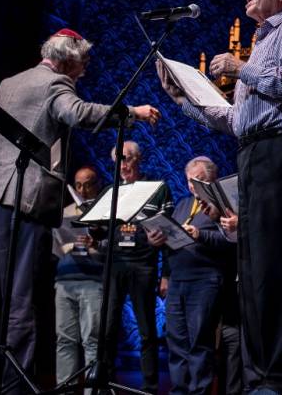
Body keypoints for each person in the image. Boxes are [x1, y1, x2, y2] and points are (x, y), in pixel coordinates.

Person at [156, 0, 282, 393]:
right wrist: (182, 97)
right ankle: (261, 377)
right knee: (253, 270)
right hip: (252, 151)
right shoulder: (262, 38)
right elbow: (235, 118)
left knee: (276, 267)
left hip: (280, 149)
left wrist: (239, 67)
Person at [0, 28, 159, 394]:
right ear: (67, 58)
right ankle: (12, 386)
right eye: (83, 63)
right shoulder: (55, 84)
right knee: (20, 296)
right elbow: (78, 113)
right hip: (23, 198)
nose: (83, 70)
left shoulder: (9, 82)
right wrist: (132, 112)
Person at [155, 156, 237, 395]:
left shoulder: (223, 207)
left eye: (199, 180)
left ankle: (198, 391)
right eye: (190, 181)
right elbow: (172, 243)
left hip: (205, 280)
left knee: (199, 342)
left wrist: (200, 235)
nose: (194, 186)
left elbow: (230, 242)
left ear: (212, 179)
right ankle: (179, 390)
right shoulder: (182, 204)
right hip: (178, 280)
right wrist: (164, 270)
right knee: (176, 342)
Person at [102, 140, 173, 394]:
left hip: (144, 265)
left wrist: (166, 275)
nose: (122, 166)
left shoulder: (158, 188)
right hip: (116, 265)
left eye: (127, 158)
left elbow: (169, 233)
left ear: (139, 159)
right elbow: (102, 231)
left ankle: (150, 386)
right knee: (108, 328)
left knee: (146, 330)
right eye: (117, 160)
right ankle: (106, 382)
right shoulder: (111, 191)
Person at [53, 166, 105, 390]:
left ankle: (91, 391)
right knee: (64, 340)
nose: (83, 190)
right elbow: (56, 248)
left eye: (89, 184)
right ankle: (65, 389)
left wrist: (98, 244)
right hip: (65, 281)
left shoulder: (104, 211)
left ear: (98, 185)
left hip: (93, 282)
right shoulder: (64, 212)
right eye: (79, 185)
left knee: (92, 340)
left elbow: (117, 245)